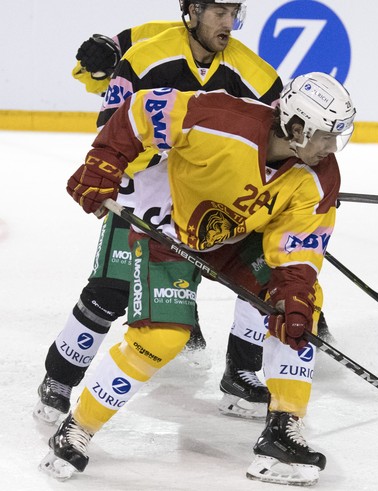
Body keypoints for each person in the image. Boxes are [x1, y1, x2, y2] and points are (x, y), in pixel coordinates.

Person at [39, 72, 355, 485]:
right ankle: (77, 428)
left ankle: (282, 430)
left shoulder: (321, 175)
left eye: (338, 136)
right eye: (325, 135)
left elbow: (297, 248)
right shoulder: (222, 119)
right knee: (162, 338)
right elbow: (139, 111)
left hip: (234, 240)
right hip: (165, 231)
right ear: (295, 128)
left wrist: (292, 294)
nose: (332, 147)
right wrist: (105, 162)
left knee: (298, 306)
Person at [35, 0, 284, 427]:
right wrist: (176, 150)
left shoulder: (256, 74)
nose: (228, 24)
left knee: (262, 275)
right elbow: (113, 130)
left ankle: (241, 372)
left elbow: (280, 141)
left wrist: (300, 189)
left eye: (234, 13)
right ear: (192, 11)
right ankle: (58, 378)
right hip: (147, 196)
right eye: (219, 13)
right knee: (109, 294)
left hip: (210, 202)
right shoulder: (147, 56)